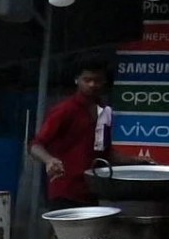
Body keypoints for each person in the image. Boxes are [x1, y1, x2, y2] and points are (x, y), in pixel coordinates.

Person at [30, 60, 113, 207]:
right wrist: (49, 160)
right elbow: (35, 145)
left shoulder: (104, 112)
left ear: (104, 82)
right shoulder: (65, 110)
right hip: (65, 191)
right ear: (77, 80)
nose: (92, 84)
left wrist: (137, 161)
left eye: (97, 80)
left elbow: (104, 151)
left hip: (92, 192)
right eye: (87, 80)